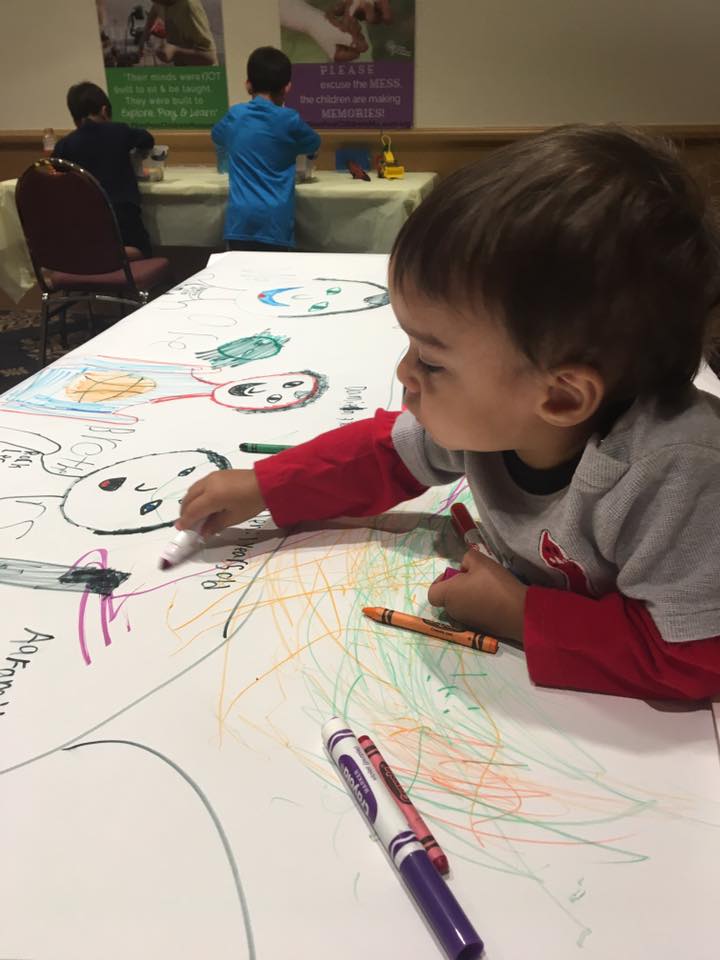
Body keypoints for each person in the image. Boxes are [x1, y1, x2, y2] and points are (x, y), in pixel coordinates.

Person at [178, 124, 720, 701]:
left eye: (432, 361)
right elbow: (386, 453)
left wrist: (520, 614)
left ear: (561, 397)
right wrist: (266, 486)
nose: (403, 372)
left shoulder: (676, 475)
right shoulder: (504, 416)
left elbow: (695, 657)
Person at [211, 46, 321, 252]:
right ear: (287, 88)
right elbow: (314, 143)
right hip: (275, 221)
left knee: (240, 272)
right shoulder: (289, 120)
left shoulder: (235, 115)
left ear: (248, 85)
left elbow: (217, 136)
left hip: (239, 221)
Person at [53, 82, 153, 259]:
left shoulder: (65, 145)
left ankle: (95, 255)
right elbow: (147, 139)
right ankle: (114, 255)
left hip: (84, 223)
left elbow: (54, 167)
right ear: (104, 110)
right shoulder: (120, 131)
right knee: (144, 249)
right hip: (123, 216)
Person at [142, 0, 218, 66]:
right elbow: (153, 12)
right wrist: (143, 40)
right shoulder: (161, 2)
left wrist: (175, 51)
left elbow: (211, 58)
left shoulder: (189, 7)